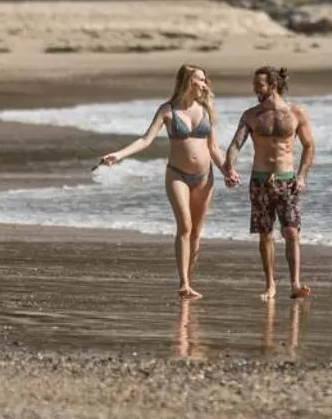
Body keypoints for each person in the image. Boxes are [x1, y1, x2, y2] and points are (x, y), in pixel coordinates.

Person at [99, 63, 238, 299]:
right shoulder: (167, 110)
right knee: (184, 226)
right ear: (187, 81)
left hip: (205, 176)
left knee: (196, 231)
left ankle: (189, 279)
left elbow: (213, 147)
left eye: (205, 80)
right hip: (177, 174)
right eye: (200, 79)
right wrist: (119, 155)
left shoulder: (206, 109)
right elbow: (145, 140)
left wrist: (227, 170)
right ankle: (183, 283)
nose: (204, 84)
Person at [222, 65, 315, 300]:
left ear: (272, 86)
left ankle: (295, 283)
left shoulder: (296, 113)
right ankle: (270, 285)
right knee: (265, 235)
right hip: (260, 180)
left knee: (291, 231)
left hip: (287, 180)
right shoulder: (251, 115)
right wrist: (229, 167)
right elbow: (236, 145)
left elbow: (308, 146)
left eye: (259, 85)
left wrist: (302, 175)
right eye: (254, 84)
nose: (255, 88)